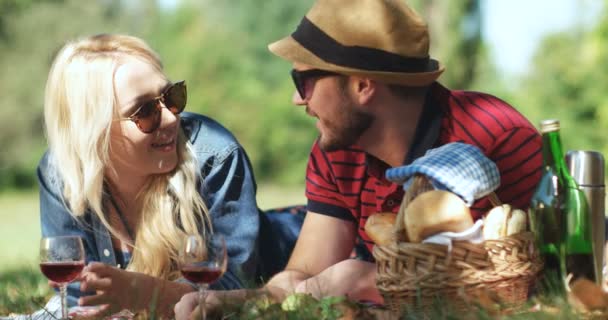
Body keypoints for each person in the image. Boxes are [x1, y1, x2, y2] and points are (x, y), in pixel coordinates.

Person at [174, 0, 543, 317]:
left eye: (303, 82)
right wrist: (229, 303)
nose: (297, 101)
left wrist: (365, 280)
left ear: (362, 85)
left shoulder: (490, 137)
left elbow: (515, 287)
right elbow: (303, 279)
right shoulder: (333, 155)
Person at [38, 33, 261, 318]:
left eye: (172, 96)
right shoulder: (62, 172)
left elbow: (232, 285)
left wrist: (142, 292)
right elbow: (77, 293)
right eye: (144, 111)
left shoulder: (215, 156)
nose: (170, 118)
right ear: (94, 131)